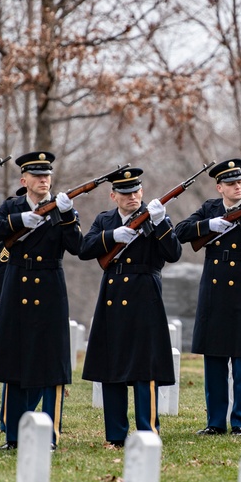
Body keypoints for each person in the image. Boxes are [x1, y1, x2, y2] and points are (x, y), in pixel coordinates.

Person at [0, 151, 82, 450]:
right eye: (37, 176)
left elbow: (78, 247)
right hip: (17, 287)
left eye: (47, 175)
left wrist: (68, 216)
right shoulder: (11, 207)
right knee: (14, 364)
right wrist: (18, 220)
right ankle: (14, 437)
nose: (44, 180)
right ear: (24, 180)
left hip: (50, 287)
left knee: (52, 366)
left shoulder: (61, 208)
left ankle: (50, 436)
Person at [79, 167, 181, 448]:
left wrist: (161, 224)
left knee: (144, 368)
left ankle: (148, 431)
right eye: (125, 193)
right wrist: (112, 236)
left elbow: (174, 253)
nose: (132, 197)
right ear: (114, 196)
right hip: (112, 294)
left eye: (136, 191)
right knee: (112, 367)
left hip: (144, 294)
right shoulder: (105, 220)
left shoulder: (156, 217)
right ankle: (115, 435)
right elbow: (85, 249)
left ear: (142, 192)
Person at [174, 158, 241, 436]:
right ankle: (215, 422)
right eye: (231, 183)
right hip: (215, 292)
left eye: (240, 182)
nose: (237, 187)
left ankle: (239, 422)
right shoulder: (210, 209)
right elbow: (181, 232)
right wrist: (209, 225)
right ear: (219, 187)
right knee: (215, 359)